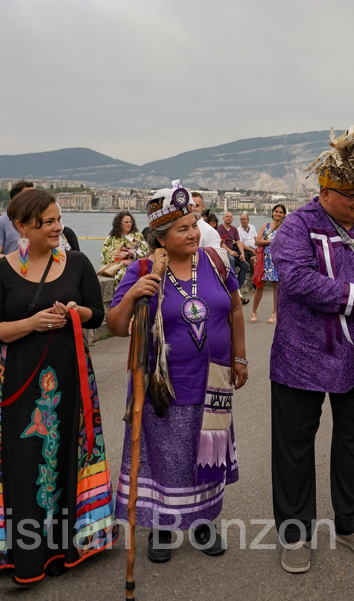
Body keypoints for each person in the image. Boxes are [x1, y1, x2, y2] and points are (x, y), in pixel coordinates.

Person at [269, 118, 354, 574]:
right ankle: (295, 532)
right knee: (294, 446)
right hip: (301, 356)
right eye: (351, 195)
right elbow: (295, 279)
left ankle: (349, 522)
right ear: (326, 192)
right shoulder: (297, 226)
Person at [0, 189, 116, 583]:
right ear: (21, 227)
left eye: (57, 219)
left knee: (67, 452)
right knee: (20, 457)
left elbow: (96, 315)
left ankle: (67, 545)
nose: (56, 227)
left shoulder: (78, 263)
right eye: (46, 222)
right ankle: (26, 553)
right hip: (15, 380)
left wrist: (74, 312)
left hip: (70, 375)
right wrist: (32, 324)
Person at [107, 182, 248, 562]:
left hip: (214, 381)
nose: (192, 232)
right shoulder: (141, 270)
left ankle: (204, 522)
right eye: (182, 228)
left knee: (207, 454)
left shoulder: (217, 262)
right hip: (163, 385)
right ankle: (164, 525)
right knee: (166, 458)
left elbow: (235, 309)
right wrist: (136, 292)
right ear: (161, 238)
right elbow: (117, 326)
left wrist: (240, 358)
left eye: (194, 223)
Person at [250, 204, 285, 324]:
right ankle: (253, 311)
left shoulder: (285, 227)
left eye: (281, 212)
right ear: (272, 212)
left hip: (278, 259)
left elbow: (285, 243)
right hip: (265, 260)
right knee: (260, 286)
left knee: (277, 287)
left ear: (284, 215)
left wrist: (267, 242)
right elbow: (257, 240)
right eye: (276, 211)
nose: (278, 214)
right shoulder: (266, 225)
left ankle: (275, 313)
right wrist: (272, 241)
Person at [99, 211, 147, 280]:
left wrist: (128, 253)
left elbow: (145, 252)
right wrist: (121, 262)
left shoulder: (137, 235)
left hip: (134, 266)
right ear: (119, 223)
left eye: (130, 222)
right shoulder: (111, 237)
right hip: (117, 268)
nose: (129, 224)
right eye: (126, 222)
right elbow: (104, 255)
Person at [217, 212, 249, 288]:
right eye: (227, 216)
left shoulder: (234, 229)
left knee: (245, 265)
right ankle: (230, 283)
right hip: (223, 251)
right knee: (232, 260)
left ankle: (237, 286)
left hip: (232, 251)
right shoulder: (219, 228)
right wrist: (230, 252)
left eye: (230, 217)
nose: (229, 218)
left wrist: (242, 254)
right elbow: (221, 244)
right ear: (223, 218)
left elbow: (238, 241)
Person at [237, 212, 258, 293]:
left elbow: (256, 238)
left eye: (244, 219)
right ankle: (255, 279)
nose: (243, 221)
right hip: (246, 250)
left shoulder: (252, 227)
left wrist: (258, 248)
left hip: (254, 248)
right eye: (241, 219)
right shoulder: (238, 230)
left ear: (248, 220)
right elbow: (241, 243)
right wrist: (252, 250)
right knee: (253, 259)